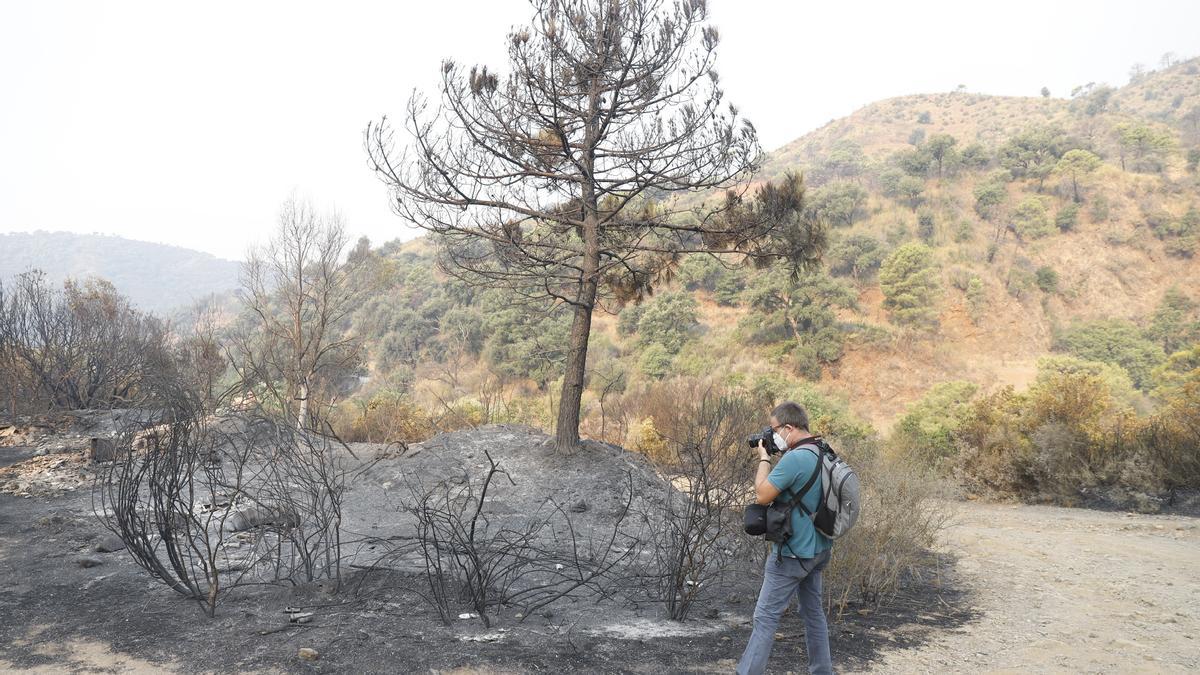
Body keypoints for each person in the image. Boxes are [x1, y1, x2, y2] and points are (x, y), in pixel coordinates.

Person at [737, 401, 833, 675]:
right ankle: (822, 671)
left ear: (789, 428)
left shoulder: (795, 458)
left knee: (765, 617)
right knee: (813, 613)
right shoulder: (823, 451)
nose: (773, 435)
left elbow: (762, 494)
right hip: (819, 549)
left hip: (792, 553)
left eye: (775, 429)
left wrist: (764, 458)